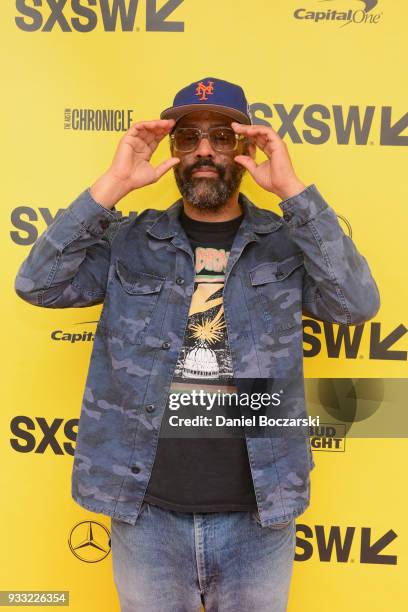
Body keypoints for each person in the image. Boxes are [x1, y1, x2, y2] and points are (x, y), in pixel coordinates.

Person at [15, 77, 380, 611]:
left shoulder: (286, 241)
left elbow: (357, 304)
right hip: (146, 512)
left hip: (260, 510)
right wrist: (113, 184)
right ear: (172, 151)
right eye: (188, 138)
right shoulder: (128, 240)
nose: (204, 151)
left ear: (248, 146)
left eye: (222, 137)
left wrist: (294, 193)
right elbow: (37, 283)